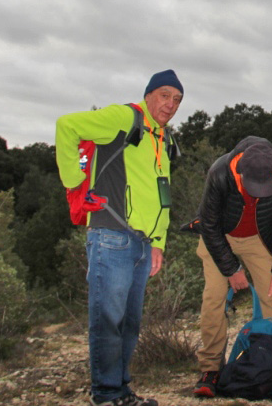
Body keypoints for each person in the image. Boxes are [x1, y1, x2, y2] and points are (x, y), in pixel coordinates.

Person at [55, 69, 184, 406]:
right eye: (165, 95)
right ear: (149, 94)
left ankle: (121, 391)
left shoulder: (163, 138)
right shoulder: (125, 117)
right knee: (108, 322)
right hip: (111, 236)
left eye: (177, 99)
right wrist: (74, 180)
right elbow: (66, 125)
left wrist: (158, 242)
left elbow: (162, 194)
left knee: (128, 324)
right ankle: (106, 394)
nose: (171, 104)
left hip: (142, 244)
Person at [192, 136, 272, 398]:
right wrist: (231, 269)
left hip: (258, 238)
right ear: (240, 171)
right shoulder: (220, 172)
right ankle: (210, 369)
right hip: (220, 236)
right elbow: (208, 224)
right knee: (214, 297)